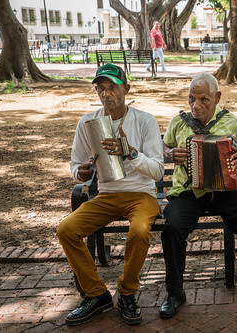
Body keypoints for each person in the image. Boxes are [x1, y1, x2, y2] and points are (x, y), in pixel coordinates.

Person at [159, 73, 237, 318]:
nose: (196, 105)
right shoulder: (178, 122)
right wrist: (170, 154)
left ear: (217, 97)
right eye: (192, 99)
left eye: (203, 99)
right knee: (172, 228)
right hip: (188, 192)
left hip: (225, 192)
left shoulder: (231, 122)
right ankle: (175, 291)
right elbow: (163, 147)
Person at [57, 63, 164, 326]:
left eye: (112, 87)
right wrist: (79, 173)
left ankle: (127, 292)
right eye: (100, 88)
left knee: (139, 231)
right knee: (66, 229)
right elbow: (74, 164)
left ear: (126, 89)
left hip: (141, 194)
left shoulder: (144, 120)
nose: (106, 94)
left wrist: (131, 152)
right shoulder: (88, 122)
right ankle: (97, 294)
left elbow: (158, 171)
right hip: (106, 195)